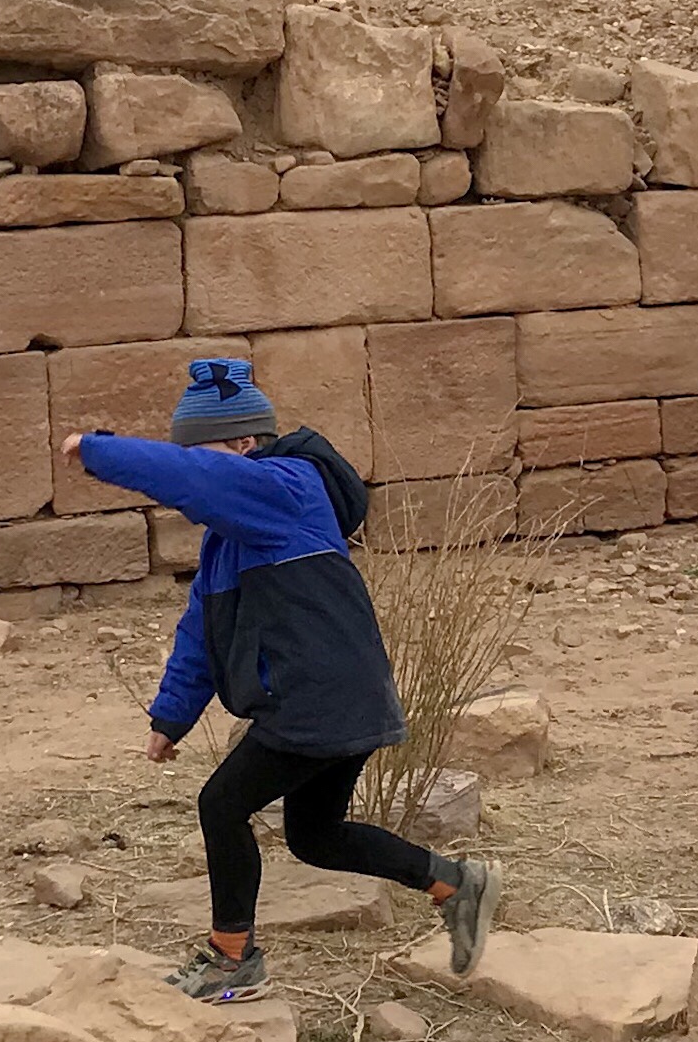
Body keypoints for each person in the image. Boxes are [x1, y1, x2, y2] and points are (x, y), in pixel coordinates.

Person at [61, 356, 501, 1004]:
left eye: (207, 454)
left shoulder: (287, 487)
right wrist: (169, 720)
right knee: (316, 836)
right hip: (341, 699)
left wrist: (99, 452)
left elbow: (193, 476)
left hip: (317, 699)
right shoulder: (230, 540)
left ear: (243, 444)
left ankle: (231, 960)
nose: (201, 477)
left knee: (221, 804)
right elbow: (199, 637)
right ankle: (457, 884)